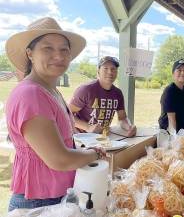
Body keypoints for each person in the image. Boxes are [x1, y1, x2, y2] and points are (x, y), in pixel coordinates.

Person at [5, 17, 107, 212]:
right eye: (47, 48)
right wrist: (94, 153)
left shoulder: (50, 91)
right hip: (38, 202)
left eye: (64, 49)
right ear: (30, 54)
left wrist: (82, 149)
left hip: (56, 197)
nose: (58, 56)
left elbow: (62, 142)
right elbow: (59, 159)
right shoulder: (30, 94)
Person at [69, 56, 136, 137]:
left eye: (113, 69)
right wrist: (88, 127)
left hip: (102, 138)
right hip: (80, 138)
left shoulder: (118, 93)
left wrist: (129, 127)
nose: (110, 72)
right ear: (98, 72)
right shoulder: (86, 90)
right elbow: (67, 114)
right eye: (105, 68)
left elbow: (122, 118)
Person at [158, 59, 184, 134]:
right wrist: (175, 139)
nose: (183, 72)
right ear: (173, 74)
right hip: (169, 132)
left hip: (182, 132)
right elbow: (171, 119)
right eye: (179, 70)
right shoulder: (169, 91)